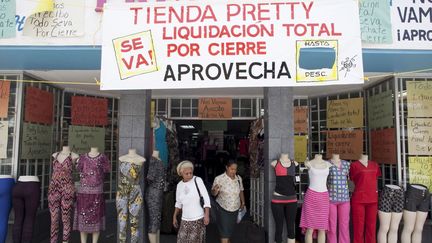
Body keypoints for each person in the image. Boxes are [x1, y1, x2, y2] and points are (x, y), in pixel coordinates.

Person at [173, 161, 210, 243]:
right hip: (184, 220)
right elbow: (178, 203)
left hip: (198, 219)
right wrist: (174, 216)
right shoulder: (179, 185)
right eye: (186, 173)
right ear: (181, 173)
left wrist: (206, 215)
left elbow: (206, 198)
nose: (189, 175)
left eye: (191, 173)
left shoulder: (197, 180)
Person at [212, 160, 245, 243]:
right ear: (226, 167)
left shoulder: (238, 178)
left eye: (235, 169)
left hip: (235, 209)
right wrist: (215, 191)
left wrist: (243, 202)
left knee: (228, 233)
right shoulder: (219, 179)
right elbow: (213, 193)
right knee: (224, 233)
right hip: (223, 209)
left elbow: (241, 190)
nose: (234, 171)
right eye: (231, 169)